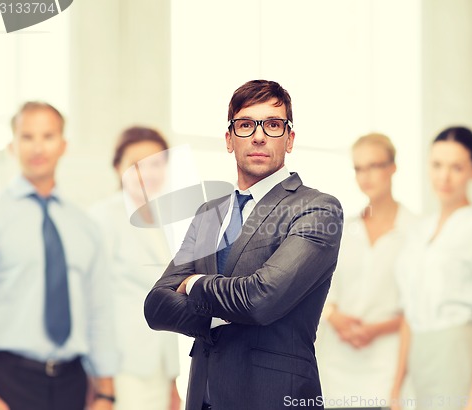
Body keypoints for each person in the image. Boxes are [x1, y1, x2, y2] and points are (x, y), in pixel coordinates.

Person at [144, 79, 344, 410]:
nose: (259, 135)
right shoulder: (209, 214)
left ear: (290, 139)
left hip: (273, 398)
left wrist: (194, 283)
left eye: (273, 125)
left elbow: (259, 300)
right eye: (246, 124)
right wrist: (220, 316)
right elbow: (156, 305)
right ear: (229, 139)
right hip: (203, 397)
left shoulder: (317, 209)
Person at [0, 102, 117, 410]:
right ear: (12, 145)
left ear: (63, 145)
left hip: (72, 383)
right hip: (7, 381)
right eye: (27, 136)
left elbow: (98, 309)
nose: (38, 146)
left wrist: (106, 392)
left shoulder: (85, 226)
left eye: (48, 136)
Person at [391, 126, 472, 410]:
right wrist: (396, 387)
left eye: (456, 167)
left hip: (457, 353)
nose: (444, 177)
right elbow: (408, 315)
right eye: (437, 165)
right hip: (418, 358)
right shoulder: (418, 231)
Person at [315, 133, 415, 407]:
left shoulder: (416, 231)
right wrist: (336, 318)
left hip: (387, 368)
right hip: (336, 367)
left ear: (393, 167)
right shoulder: (342, 229)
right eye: (359, 168)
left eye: (374, 166)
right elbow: (322, 290)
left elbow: (419, 305)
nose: (366, 176)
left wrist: (378, 328)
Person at [90, 126, 181, 410]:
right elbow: (93, 300)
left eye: (156, 163)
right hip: (121, 364)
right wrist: (102, 380)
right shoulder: (102, 218)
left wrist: (172, 378)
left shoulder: (165, 222)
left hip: (160, 362)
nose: (148, 173)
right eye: (136, 164)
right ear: (118, 168)